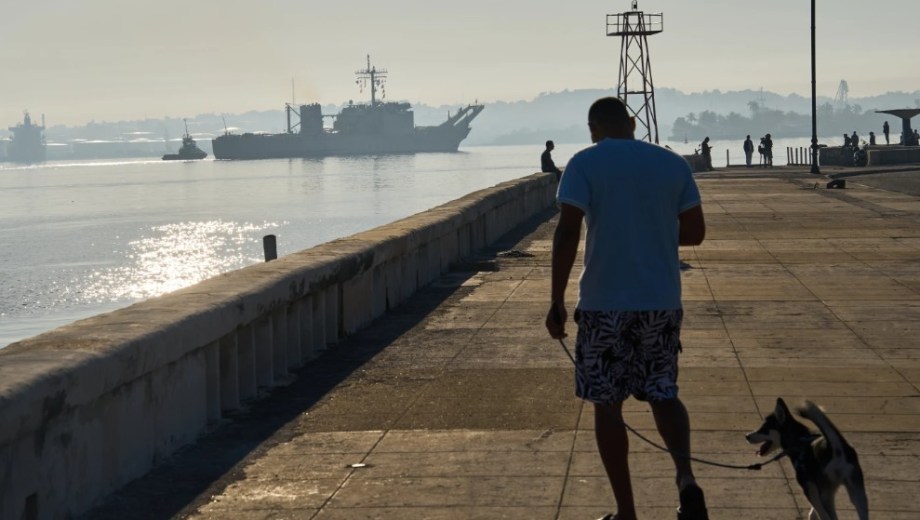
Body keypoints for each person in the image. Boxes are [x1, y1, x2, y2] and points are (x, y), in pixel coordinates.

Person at [546, 96, 709, 520]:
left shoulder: (584, 163)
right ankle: (686, 479)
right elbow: (695, 232)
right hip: (660, 302)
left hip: (604, 305)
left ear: (593, 129)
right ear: (633, 123)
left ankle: (627, 512)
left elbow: (567, 233)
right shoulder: (672, 163)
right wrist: (652, 232)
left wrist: (556, 300)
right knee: (663, 393)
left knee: (608, 405)